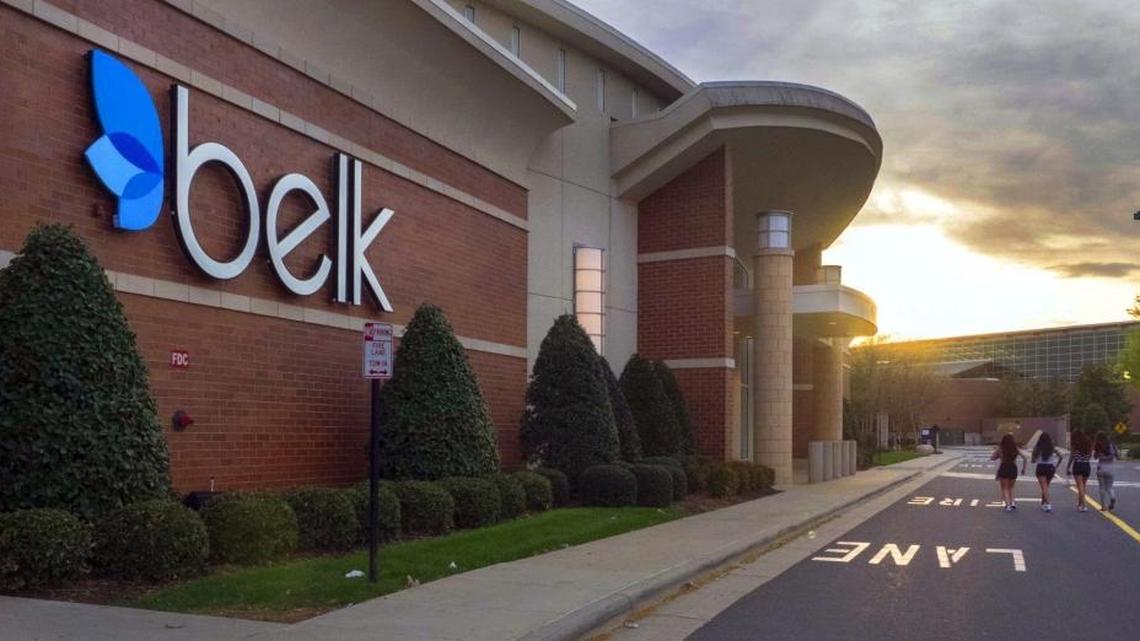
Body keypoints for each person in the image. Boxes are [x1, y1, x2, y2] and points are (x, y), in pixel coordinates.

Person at [1025, 432, 1064, 512]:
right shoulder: (1052, 447)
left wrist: (1035, 459)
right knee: (1046, 486)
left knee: (1044, 487)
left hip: (1041, 467)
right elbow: (1061, 457)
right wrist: (1056, 466)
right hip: (1050, 468)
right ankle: (1043, 503)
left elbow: (1033, 460)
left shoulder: (1038, 447)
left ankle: (1048, 504)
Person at [991, 434, 1027, 512]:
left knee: (1005, 488)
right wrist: (1023, 469)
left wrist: (997, 453)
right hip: (1013, 468)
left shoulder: (1001, 449)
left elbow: (992, 458)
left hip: (1004, 468)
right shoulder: (1015, 449)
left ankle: (1008, 505)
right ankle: (1012, 502)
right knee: (1011, 487)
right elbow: (1025, 458)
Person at [1066, 430, 1093, 512]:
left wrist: (1068, 467)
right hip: (1086, 465)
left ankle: (1083, 505)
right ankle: (1080, 503)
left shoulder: (1075, 444)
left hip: (1078, 465)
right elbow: (1090, 455)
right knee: (1083, 486)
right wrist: (1086, 458)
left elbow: (1072, 456)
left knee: (1080, 486)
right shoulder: (1088, 442)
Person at [1093, 431, 1118, 511]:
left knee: (1102, 487)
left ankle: (1103, 505)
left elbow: (1095, 457)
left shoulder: (1097, 445)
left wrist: (1101, 456)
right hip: (1110, 467)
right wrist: (1107, 457)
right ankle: (1112, 497)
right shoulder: (1110, 444)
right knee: (1109, 486)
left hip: (1101, 466)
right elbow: (1113, 455)